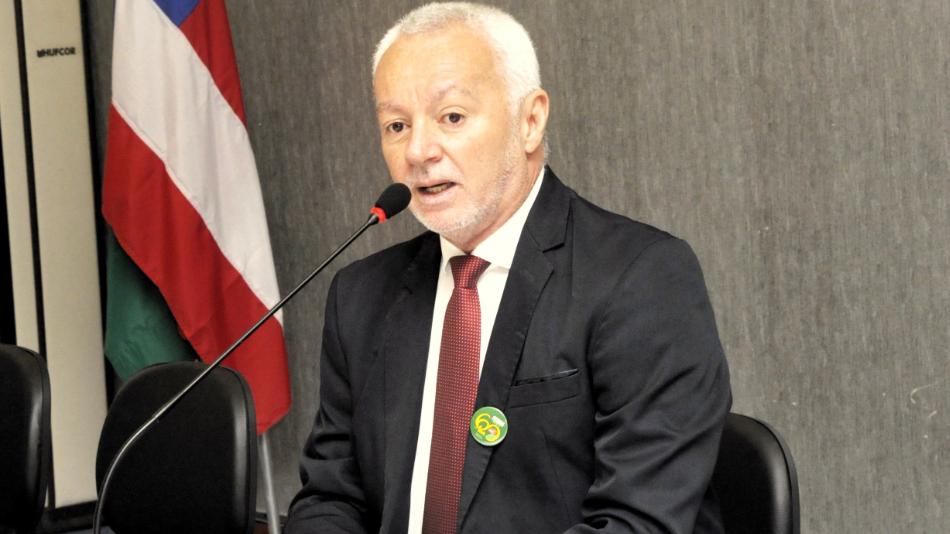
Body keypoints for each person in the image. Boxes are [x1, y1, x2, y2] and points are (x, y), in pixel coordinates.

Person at [285, 3, 731, 533]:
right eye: (397, 125)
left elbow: (637, 521)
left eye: (451, 117)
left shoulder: (640, 278)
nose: (418, 151)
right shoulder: (361, 295)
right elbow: (330, 498)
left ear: (530, 120)